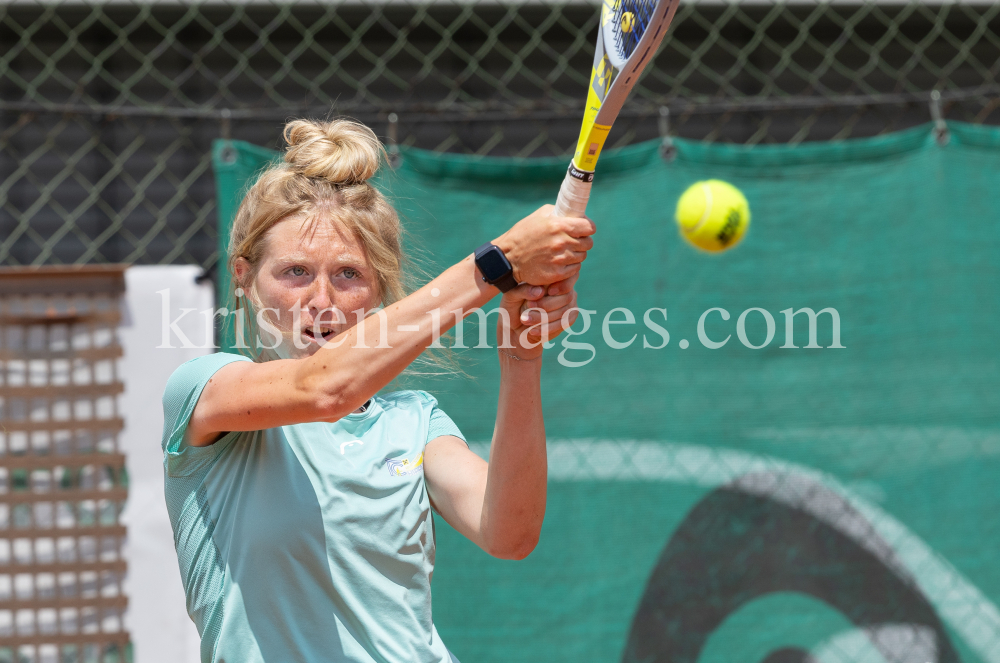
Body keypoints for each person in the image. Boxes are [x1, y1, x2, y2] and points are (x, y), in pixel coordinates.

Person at [160, 118, 596, 663]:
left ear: (378, 291)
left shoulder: (413, 421)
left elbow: (509, 533)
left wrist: (520, 356)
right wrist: (497, 262)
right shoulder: (203, 393)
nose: (322, 298)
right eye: (295, 271)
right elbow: (322, 390)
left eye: (348, 274)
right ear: (244, 278)